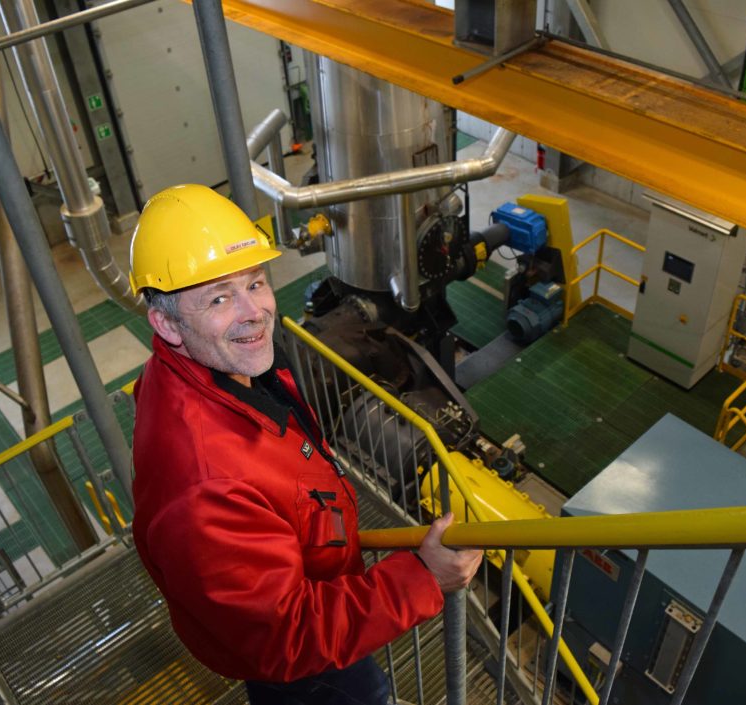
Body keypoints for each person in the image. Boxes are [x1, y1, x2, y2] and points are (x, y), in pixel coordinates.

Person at [128, 184, 482, 705]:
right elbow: (287, 635)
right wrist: (423, 578)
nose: (254, 311)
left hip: (309, 591)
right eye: (219, 298)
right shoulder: (206, 489)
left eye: (255, 282)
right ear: (166, 323)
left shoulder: (199, 370)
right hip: (303, 670)